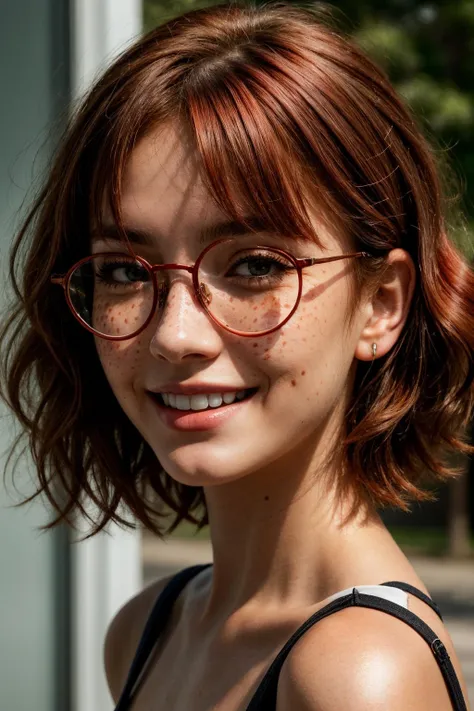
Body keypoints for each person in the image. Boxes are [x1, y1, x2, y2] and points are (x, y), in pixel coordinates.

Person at [1, 2, 473, 709]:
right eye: (125, 270)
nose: (174, 334)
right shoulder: (145, 629)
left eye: (254, 265)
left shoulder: (359, 676)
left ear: (383, 304)